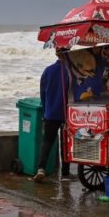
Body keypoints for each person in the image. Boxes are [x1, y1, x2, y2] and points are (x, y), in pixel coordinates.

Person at [32, 49, 71, 182]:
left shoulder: (47, 71)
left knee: (47, 142)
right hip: (66, 114)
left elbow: (42, 93)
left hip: (50, 113)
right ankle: (65, 173)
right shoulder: (70, 71)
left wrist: (46, 110)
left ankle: (41, 169)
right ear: (68, 54)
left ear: (56, 54)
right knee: (66, 143)